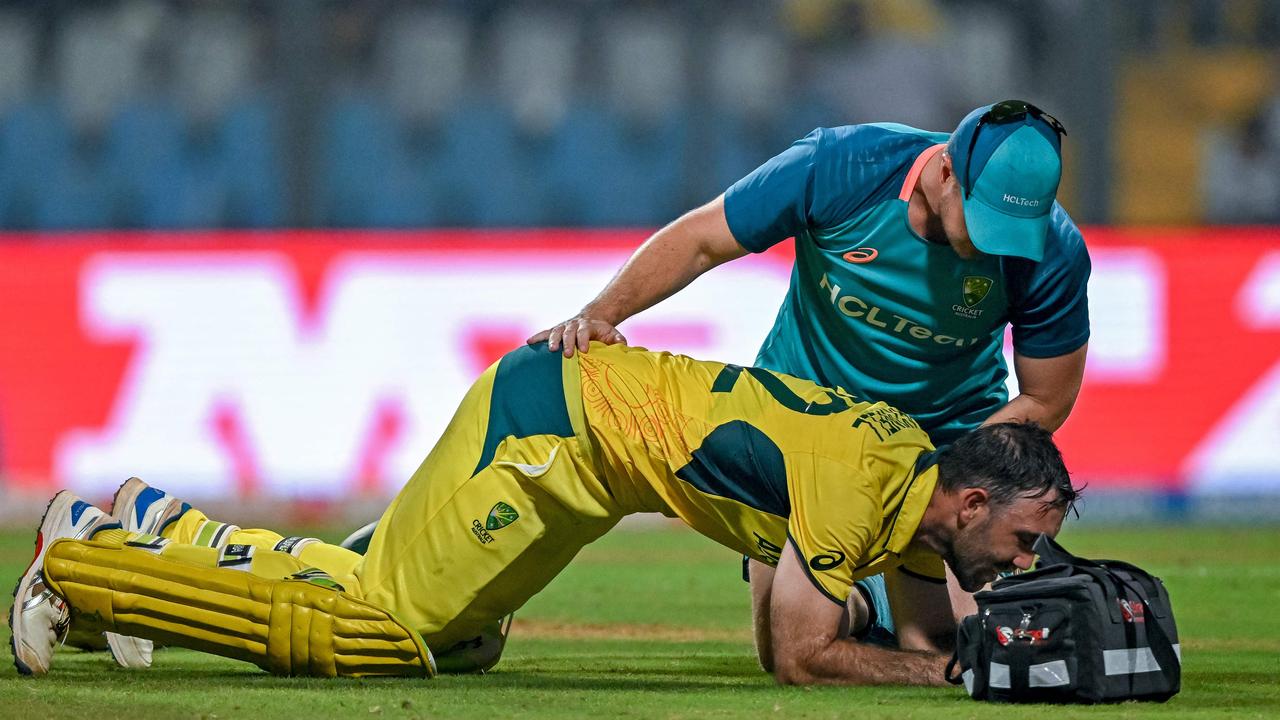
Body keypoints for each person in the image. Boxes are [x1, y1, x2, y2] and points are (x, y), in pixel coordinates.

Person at [11, 342, 1078, 684]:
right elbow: (802, 653)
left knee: (458, 636)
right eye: (1024, 540)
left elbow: (923, 637)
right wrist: (945, 671)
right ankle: (87, 564)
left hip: (585, 455)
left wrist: (974, 653)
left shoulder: (914, 490)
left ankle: (163, 530)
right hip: (553, 432)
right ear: (971, 500)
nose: (1023, 559)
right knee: (380, 625)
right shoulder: (865, 483)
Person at [529, 100, 1091, 622]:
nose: (1001, 245)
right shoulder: (842, 166)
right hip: (805, 429)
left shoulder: (1052, 249)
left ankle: (887, 600)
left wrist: (944, 474)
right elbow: (702, 239)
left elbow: (1046, 397)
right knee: (791, 636)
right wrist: (602, 312)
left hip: (949, 439)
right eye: (986, 221)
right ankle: (864, 608)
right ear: (947, 173)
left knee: (975, 641)